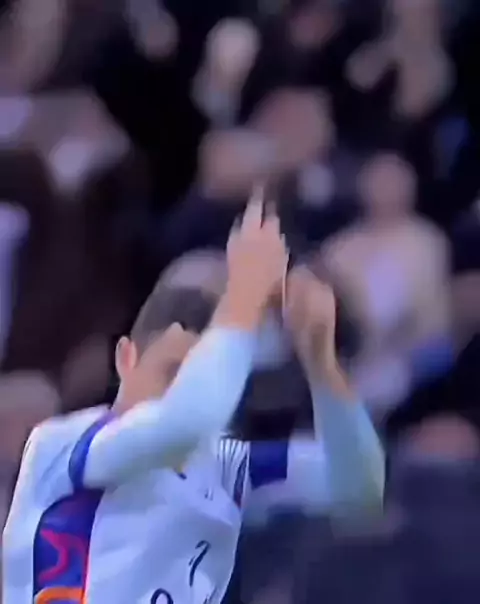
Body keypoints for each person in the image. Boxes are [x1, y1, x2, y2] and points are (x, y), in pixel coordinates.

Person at [2, 197, 384, 604]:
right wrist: (247, 292)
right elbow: (184, 422)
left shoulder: (224, 469)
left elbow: (359, 489)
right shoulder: (67, 444)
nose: (184, 390)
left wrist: (321, 361)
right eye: (171, 372)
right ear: (126, 358)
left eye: (201, 376)